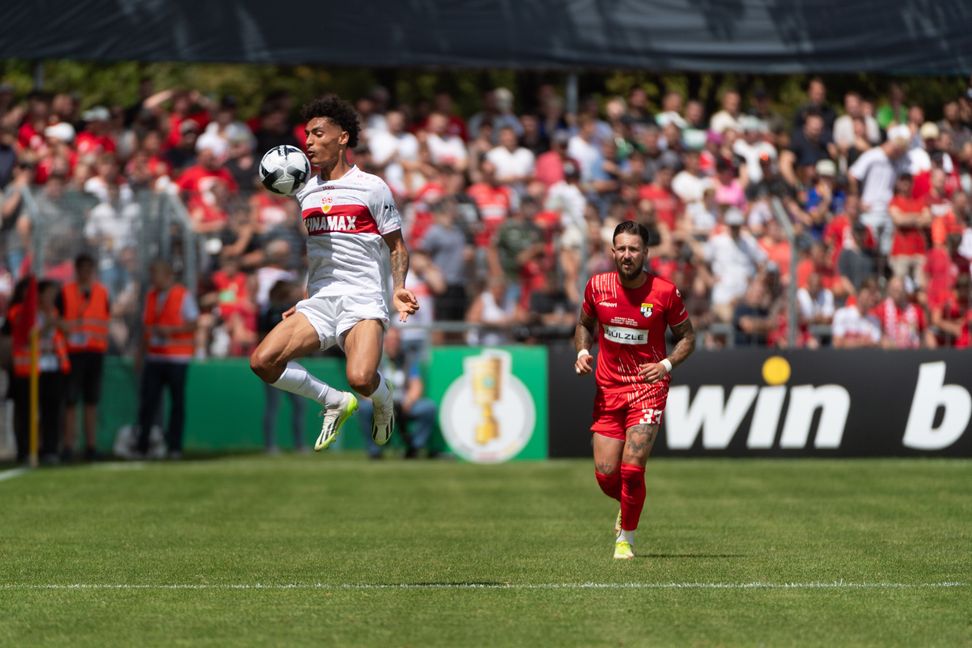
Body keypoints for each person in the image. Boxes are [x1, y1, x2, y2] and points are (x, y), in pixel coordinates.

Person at [249, 95, 419, 453]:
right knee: (262, 362)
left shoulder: (372, 187)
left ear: (342, 137)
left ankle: (383, 398)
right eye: (306, 135)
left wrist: (399, 288)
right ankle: (332, 400)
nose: (308, 142)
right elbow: (320, 254)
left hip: (363, 298)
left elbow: (397, 247)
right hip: (322, 300)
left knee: (360, 378)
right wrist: (308, 297)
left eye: (318, 133)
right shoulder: (303, 189)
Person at [574, 221, 696, 560]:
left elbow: (688, 337)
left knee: (632, 468)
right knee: (606, 474)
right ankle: (627, 505)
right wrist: (583, 352)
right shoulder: (597, 287)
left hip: (647, 388)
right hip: (608, 389)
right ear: (613, 252)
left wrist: (666, 365)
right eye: (622, 249)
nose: (627, 255)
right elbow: (584, 325)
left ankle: (625, 539)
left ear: (645, 252)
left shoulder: (664, 292)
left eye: (634, 249)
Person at [135, 259, 199, 459]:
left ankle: (174, 447)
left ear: (167, 276)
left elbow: (193, 323)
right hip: (154, 357)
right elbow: (146, 327)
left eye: (156, 275)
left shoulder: (182, 295)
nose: (153, 279)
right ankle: (143, 446)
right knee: (148, 403)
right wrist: (140, 354)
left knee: (176, 403)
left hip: (177, 358)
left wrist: (171, 331)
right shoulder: (151, 296)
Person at [356, 327, 437, 459]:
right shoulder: (373, 359)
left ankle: (414, 447)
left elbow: (416, 384)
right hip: (379, 403)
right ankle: (374, 451)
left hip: (403, 403)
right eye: (390, 340)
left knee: (428, 408)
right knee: (364, 408)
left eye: (396, 340)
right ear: (383, 342)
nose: (393, 344)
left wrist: (410, 400)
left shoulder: (408, 359)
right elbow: (362, 386)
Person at [60, 253, 110, 461]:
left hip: (94, 351)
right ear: (77, 269)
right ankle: (69, 445)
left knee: (91, 401)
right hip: (72, 352)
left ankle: (90, 445)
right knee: (70, 401)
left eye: (90, 268)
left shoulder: (101, 292)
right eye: (83, 268)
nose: (86, 272)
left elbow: (105, 318)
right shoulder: (66, 292)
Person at [259, 280, 306, 453]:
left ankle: (296, 445)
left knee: (296, 405)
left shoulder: (273, 311)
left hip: (289, 363)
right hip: (276, 363)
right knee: (275, 406)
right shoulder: (274, 312)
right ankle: (273, 445)